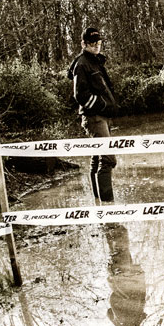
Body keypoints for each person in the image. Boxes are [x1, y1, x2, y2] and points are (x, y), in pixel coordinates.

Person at [67, 27, 117, 202]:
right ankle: (108, 204)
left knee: (97, 158)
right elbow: (80, 95)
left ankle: (98, 203)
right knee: (108, 159)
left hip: (101, 117)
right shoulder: (82, 64)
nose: (96, 45)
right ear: (84, 44)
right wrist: (102, 105)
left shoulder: (95, 61)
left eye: (98, 42)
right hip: (94, 118)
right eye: (92, 43)